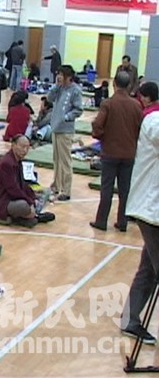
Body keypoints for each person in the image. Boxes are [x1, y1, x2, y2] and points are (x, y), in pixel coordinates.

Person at [120, 81, 159, 345]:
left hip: (153, 209)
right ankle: (130, 320)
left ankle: (130, 320)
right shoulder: (153, 120)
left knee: (149, 269)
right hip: (150, 209)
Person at [90, 72, 142, 233]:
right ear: (129, 86)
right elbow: (140, 128)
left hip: (110, 152)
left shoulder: (108, 103)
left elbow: (98, 125)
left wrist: (102, 138)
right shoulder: (136, 105)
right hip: (129, 153)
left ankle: (101, 220)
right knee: (125, 190)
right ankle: (122, 221)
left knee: (107, 188)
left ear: (114, 84)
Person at [0, 135, 45, 227]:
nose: (25, 150)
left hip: (12, 198)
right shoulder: (6, 163)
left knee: (41, 196)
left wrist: (33, 197)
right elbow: (13, 190)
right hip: (2, 202)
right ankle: (31, 216)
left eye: (27, 148)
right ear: (13, 145)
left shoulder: (17, 161)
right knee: (24, 206)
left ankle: (28, 216)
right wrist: (30, 202)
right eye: (22, 147)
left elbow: (23, 184)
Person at [47, 65, 83, 201]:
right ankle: (56, 185)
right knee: (56, 159)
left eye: (61, 75)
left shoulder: (75, 91)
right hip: (55, 128)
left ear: (69, 77)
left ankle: (66, 190)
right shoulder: (59, 88)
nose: (59, 77)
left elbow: (78, 109)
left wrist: (66, 117)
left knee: (65, 161)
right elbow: (49, 98)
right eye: (58, 74)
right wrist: (56, 86)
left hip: (66, 130)